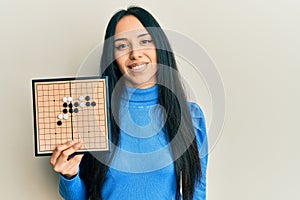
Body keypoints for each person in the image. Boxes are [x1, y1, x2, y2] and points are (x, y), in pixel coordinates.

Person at [50, 6, 208, 200]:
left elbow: (197, 193)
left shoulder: (191, 117)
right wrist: (69, 176)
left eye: (145, 41)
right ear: (112, 57)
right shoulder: (92, 115)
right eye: (122, 46)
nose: (135, 54)